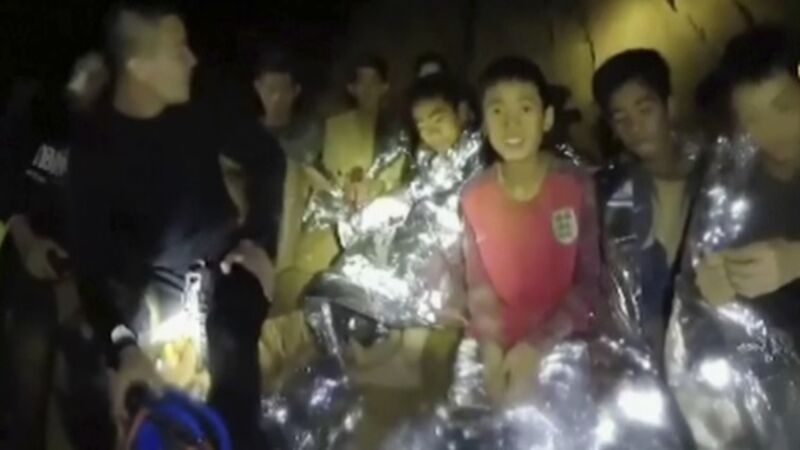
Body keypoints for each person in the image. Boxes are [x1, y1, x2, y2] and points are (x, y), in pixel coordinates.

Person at [68, 3, 275, 447]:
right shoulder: (94, 148)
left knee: (231, 332)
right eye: (178, 49)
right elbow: (90, 268)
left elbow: (268, 159)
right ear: (139, 67)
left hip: (223, 263)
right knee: (92, 372)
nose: (192, 59)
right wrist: (123, 346)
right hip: (150, 287)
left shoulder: (200, 106)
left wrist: (258, 240)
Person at [461, 56, 601, 405]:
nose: (511, 124)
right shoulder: (473, 196)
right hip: (493, 341)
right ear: (484, 124)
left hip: (565, 337)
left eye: (525, 109)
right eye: (497, 111)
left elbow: (589, 281)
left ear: (546, 118)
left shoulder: (575, 185)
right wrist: (492, 355)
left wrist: (535, 347)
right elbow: (479, 286)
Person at [0, 52, 109, 450]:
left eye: (100, 75)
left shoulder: (107, 132)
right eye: (84, 70)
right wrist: (28, 243)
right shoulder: (32, 111)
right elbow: (7, 184)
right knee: (28, 357)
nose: (89, 82)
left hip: (80, 263)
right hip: (28, 250)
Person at [592, 49, 704, 353]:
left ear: (670, 106)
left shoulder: (713, 180)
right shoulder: (612, 195)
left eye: (645, 110)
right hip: (642, 354)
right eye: (621, 119)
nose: (635, 127)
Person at [695, 26, 800, 346]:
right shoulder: (729, 192)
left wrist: (794, 260)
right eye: (752, 118)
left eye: (784, 107)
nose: (772, 129)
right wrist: (714, 293)